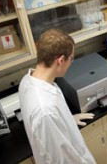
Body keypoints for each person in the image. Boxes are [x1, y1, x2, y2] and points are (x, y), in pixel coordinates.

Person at [19, 29, 96, 164]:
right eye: (71, 58)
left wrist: (67, 119)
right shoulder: (45, 111)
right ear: (61, 60)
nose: (71, 63)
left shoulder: (29, 79)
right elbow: (63, 160)